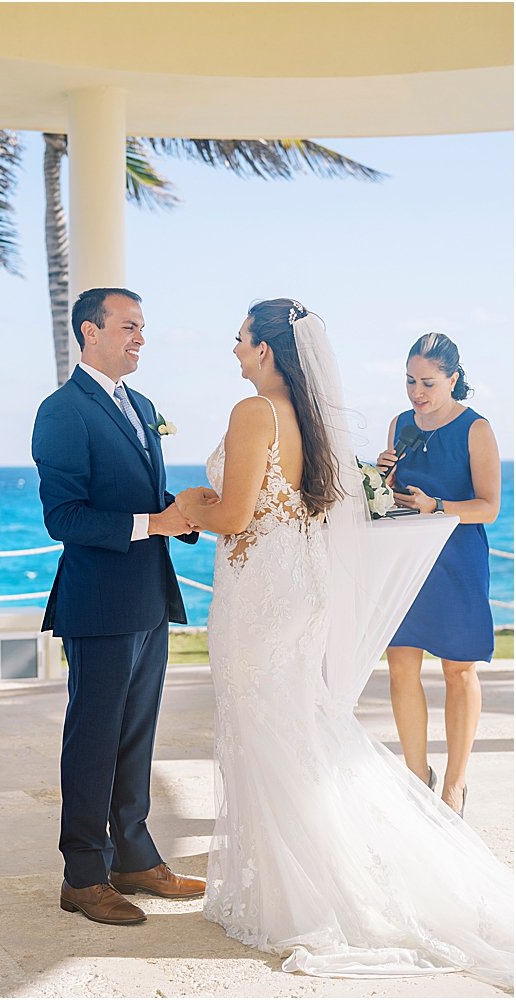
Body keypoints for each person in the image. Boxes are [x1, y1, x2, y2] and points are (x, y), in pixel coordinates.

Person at [176, 299, 512, 986]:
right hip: (298, 586)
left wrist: (189, 505)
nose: (235, 351)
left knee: (265, 726)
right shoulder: (313, 419)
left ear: (267, 350)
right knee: (296, 726)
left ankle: (301, 890)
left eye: (240, 340)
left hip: (260, 590)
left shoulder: (254, 413)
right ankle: (293, 877)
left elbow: (237, 514)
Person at [31, 287, 204, 928]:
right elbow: (65, 517)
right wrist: (152, 521)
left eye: (142, 327)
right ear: (89, 332)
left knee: (137, 737)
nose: (139, 337)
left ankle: (134, 857)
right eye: (128, 326)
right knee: (94, 739)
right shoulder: (61, 412)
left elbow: (143, 494)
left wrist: (186, 515)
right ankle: (83, 875)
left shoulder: (142, 405)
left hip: (150, 598)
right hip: (99, 602)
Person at [375, 333, 501, 817]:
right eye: (409, 381)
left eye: (427, 382)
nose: (416, 392)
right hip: (406, 558)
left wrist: (439, 507)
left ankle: (454, 785)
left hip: (455, 559)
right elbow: (387, 498)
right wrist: (381, 476)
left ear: (453, 378)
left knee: (458, 669)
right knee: (401, 664)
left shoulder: (476, 429)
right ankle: (414, 775)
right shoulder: (400, 424)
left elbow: (489, 508)